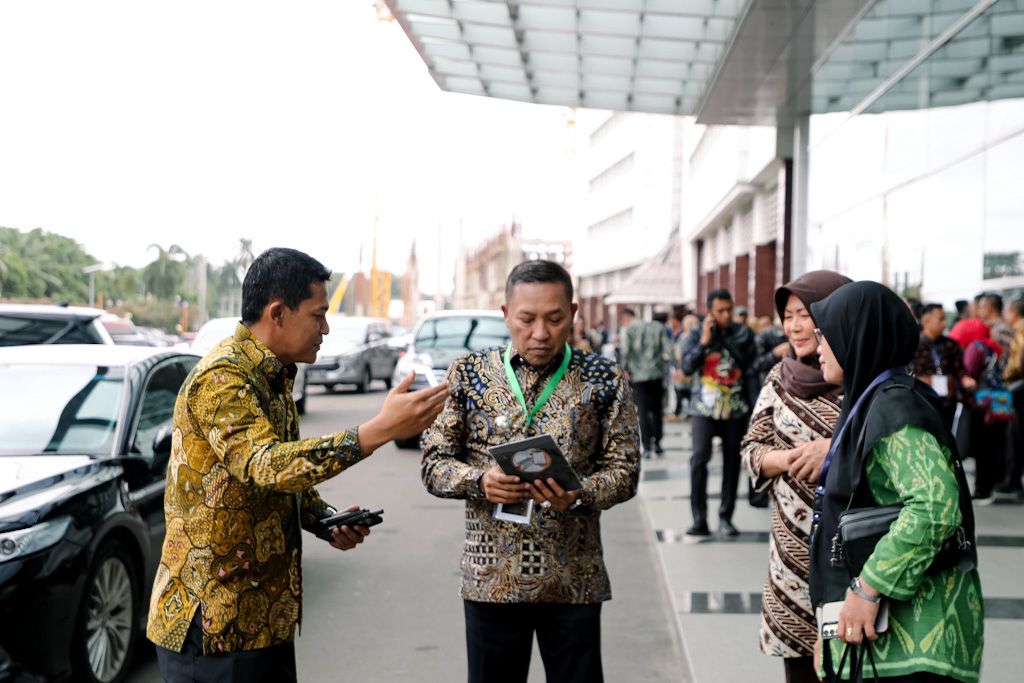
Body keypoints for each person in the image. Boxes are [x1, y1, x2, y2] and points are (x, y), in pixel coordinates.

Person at [146, 248, 449, 682]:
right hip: (215, 625)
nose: (325, 329)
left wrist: (324, 519)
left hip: (263, 620)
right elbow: (264, 465)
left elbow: (276, 480)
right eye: (318, 315)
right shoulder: (222, 378)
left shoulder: (274, 373)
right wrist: (376, 431)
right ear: (277, 312)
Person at [421, 259, 640, 683]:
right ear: (506, 315)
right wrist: (480, 481)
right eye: (527, 319)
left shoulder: (603, 377)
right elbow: (434, 463)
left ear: (572, 314)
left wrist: (578, 493)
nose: (540, 333)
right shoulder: (469, 374)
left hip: (573, 578)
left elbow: (625, 471)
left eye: (554, 319)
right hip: (491, 580)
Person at [809, 281, 983, 683]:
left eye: (825, 334)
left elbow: (934, 507)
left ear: (857, 336)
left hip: (915, 640)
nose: (819, 347)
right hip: (884, 634)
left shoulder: (894, 408)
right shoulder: (875, 402)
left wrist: (867, 588)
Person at [740, 270, 850, 683]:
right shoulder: (779, 377)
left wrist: (833, 451)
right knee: (800, 667)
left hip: (849, 553)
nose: (795, 326)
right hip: (791, 554)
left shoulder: (864, 381)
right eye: (788, 316)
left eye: (806, 314)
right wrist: (788, 459)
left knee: (850, 660)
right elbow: (751, 449)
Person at [680, 288, 756, 540]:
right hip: (703, 408)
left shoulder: (743, 333)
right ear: (710, 312)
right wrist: (704, 341)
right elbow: (686, 367)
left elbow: (750, 366)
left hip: (735, 409)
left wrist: (723, 339)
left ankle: (726, 517)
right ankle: (699, 519)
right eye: (720, 311)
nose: (726, 315)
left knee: (732, 463)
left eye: (729, 310)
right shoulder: (696, 334)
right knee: (699, 458)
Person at [950, 317, 1008, 503]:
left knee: (983, 449)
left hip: (983, 404)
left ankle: (982, 490)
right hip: (1000, 401)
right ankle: (990, 487)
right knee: (993, 447)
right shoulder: (994, 347)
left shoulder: (976, 347)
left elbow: (970, 371)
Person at [620, 307, 671, 457]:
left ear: (626, 318)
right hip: (656, 374)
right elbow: (668, 350)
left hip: (638, 375)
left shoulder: (629, 330)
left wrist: (625, 369)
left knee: (642, 411)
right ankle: (658, 443)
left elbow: (625, 351)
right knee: (657, 410)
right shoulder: (657, 327)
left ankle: (647, 446)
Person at [911, 303, 965, 430]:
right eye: (940, 319)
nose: (944, 324)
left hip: (948, 404)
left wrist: (965, 379)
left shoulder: (950, 345)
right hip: (923, 402)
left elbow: (960, 370)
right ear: (926, 320)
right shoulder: (913, 345)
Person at [1002, 298, 1024, 500]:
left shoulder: (1020, 331)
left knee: (1015, 436)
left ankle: (1013, 481)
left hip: (1019, 387)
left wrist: (1007, 375)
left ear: (1014, 313)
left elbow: (1018, 362)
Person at [668, 314, 699, 421]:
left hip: (690, 369)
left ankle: (688, 412)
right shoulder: (682, 336)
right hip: (681, 367)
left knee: (689, 391)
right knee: (680, 391)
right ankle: (681, 411)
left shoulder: (695, 337)